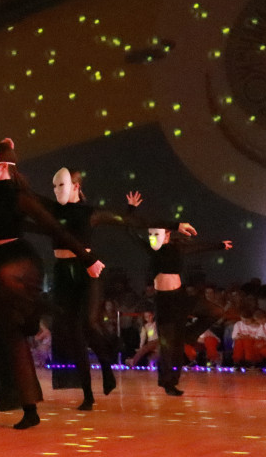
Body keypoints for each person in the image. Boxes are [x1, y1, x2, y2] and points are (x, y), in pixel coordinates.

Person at [0, 104, 103, 429]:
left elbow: (57, 230)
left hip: (16, 263)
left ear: (1, 167)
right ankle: (27, 404)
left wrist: (88, 259)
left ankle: (38, 320)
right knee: (5, 334)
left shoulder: (19, 196)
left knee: (11, 332)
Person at [39, 168, 178, 409]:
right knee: (74, 334)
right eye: (55, 187)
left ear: (76, 186)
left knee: (90, 323)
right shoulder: (53, 209)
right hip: (62, 273)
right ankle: (87, 395)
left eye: (62, 185)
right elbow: (27, 197)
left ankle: (105, 366)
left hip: (87, 270)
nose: (57, 190)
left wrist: (160, 219)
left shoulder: (89, 213)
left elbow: (125, 221)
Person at [141, 226, 232, 395]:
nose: (154, 237)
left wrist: (219, 245)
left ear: (168, 234)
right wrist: (130, 209)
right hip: (164, 301)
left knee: (216, 311)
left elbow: (199, 247)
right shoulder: (152, 250)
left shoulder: (178, 248)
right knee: (169, 347)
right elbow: (131, 233)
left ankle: (189, 335)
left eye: (159, 233)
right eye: (152, 234)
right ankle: (169, 382)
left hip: (180, 296)